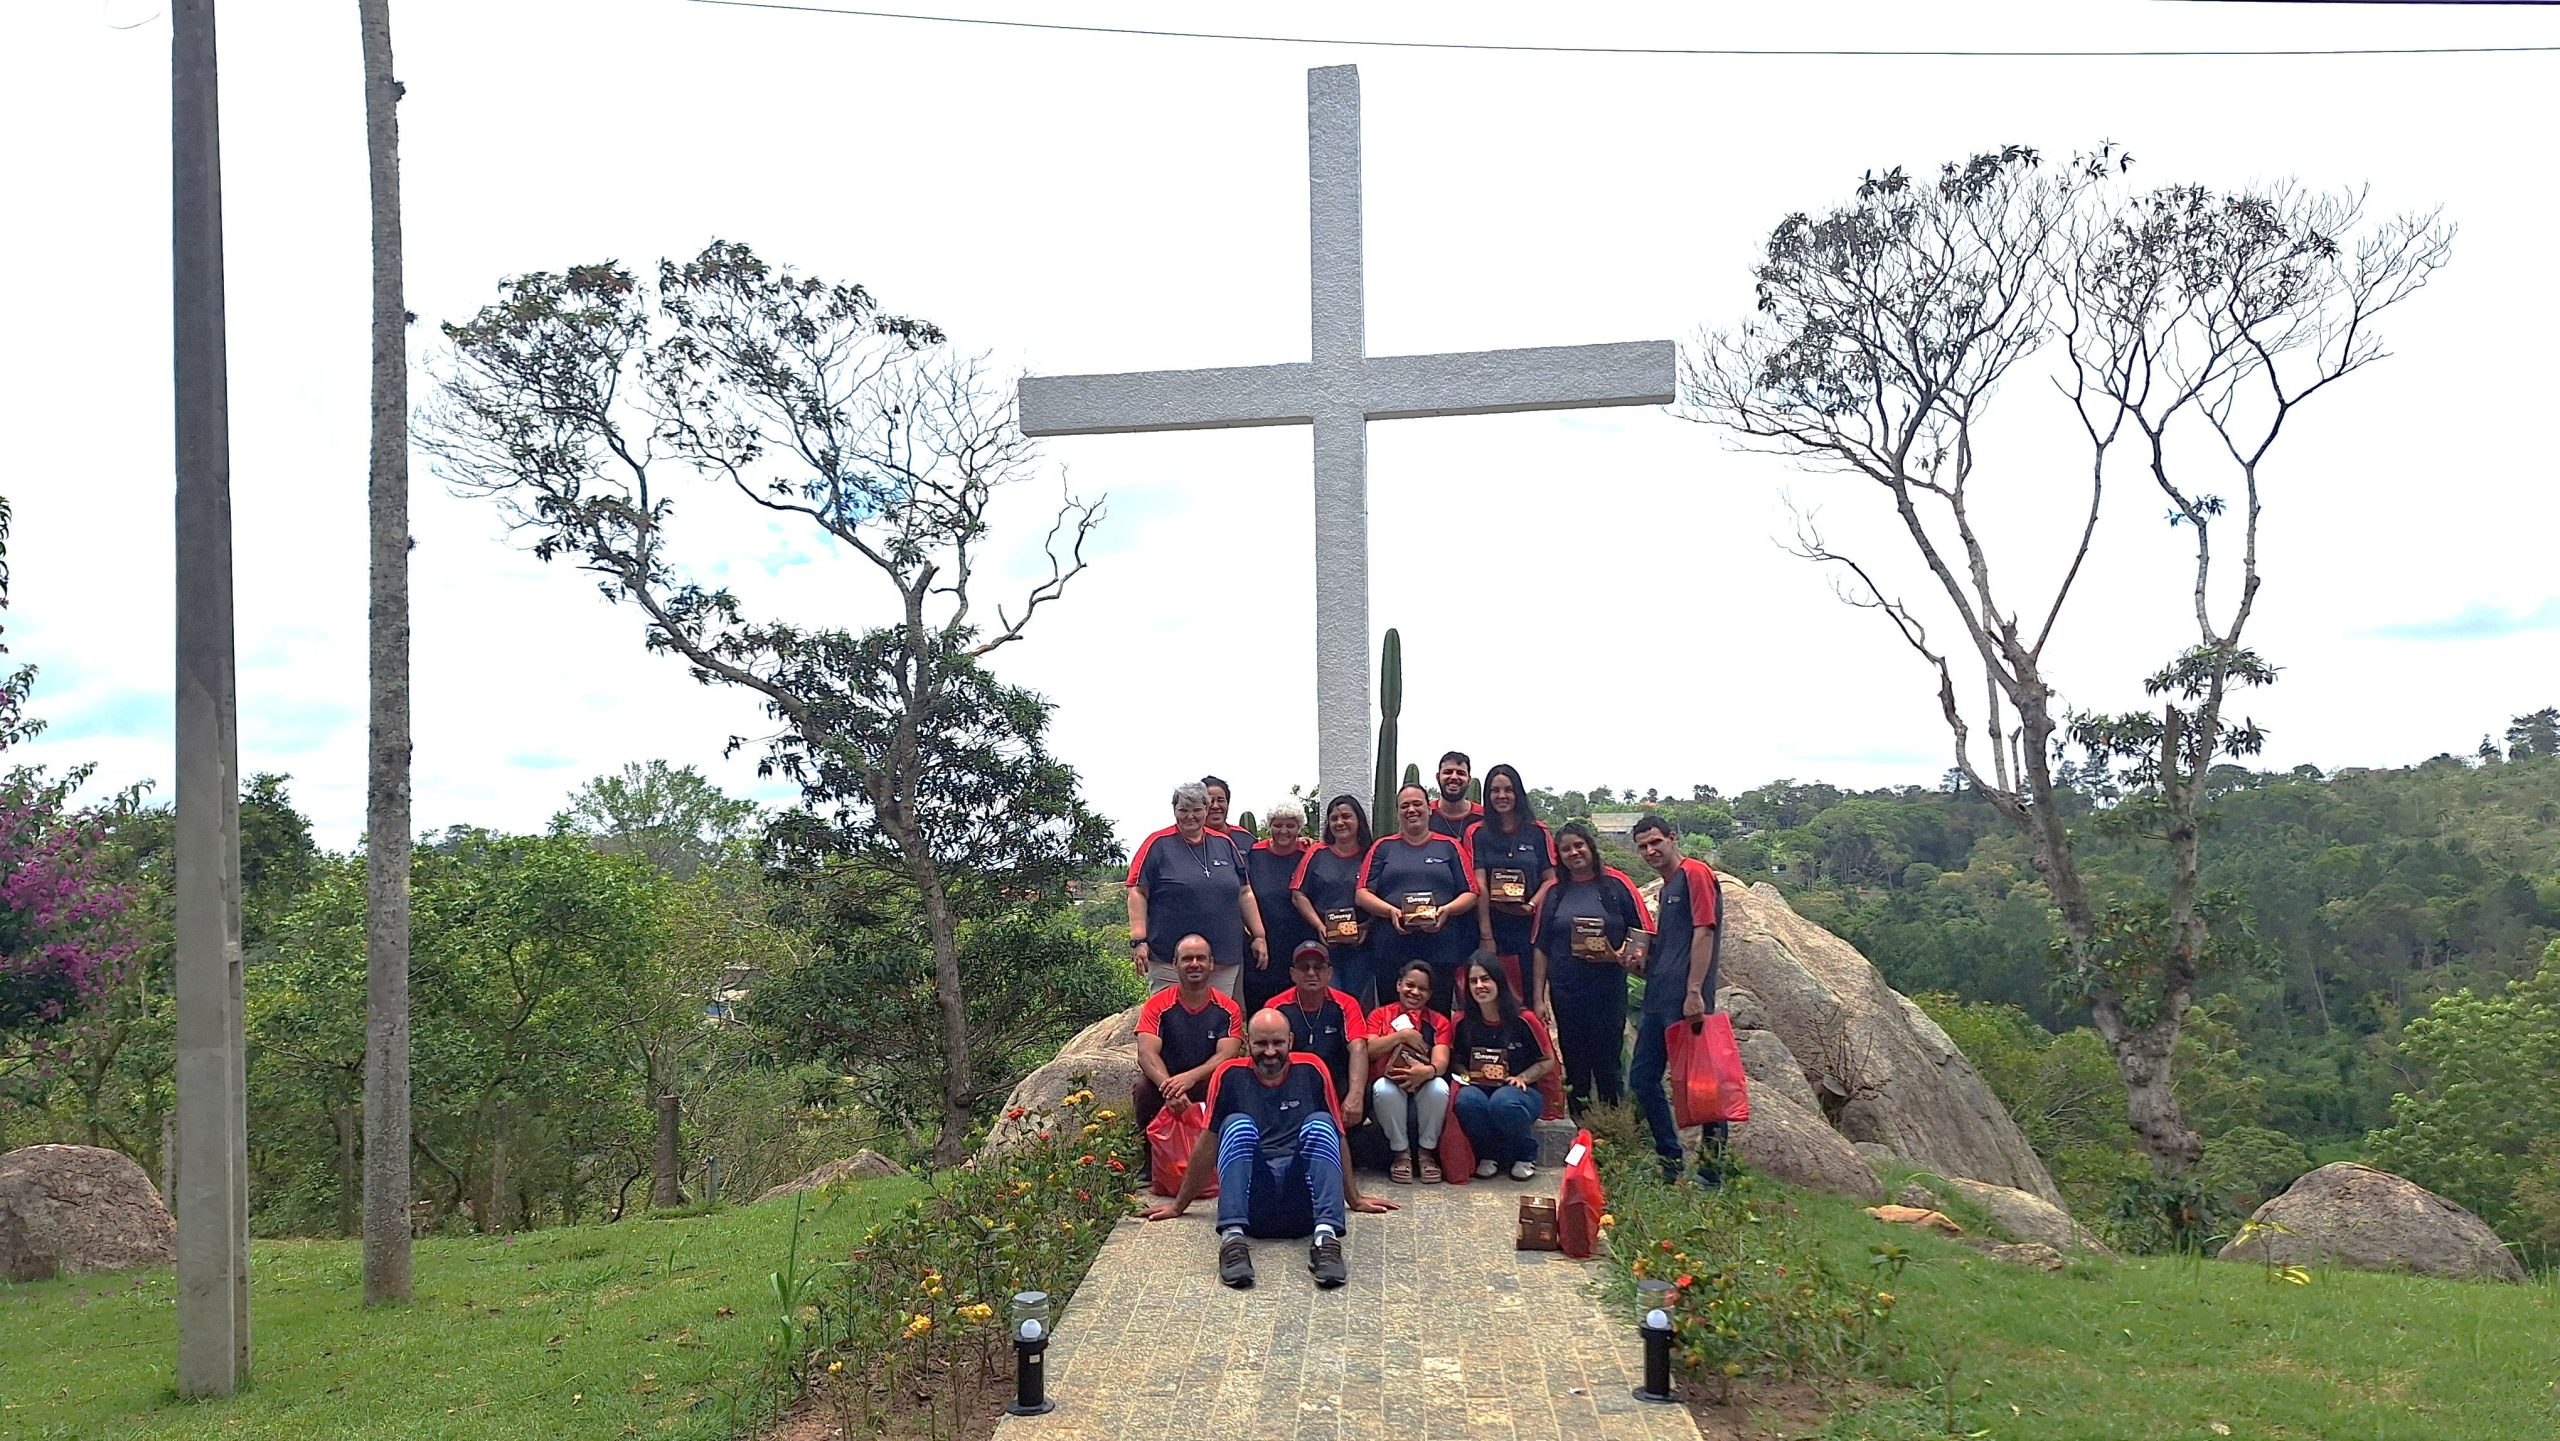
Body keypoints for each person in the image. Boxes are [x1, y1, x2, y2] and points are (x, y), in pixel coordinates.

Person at [1144, 1010, 1396, 1288]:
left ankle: (1326, 1240)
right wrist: (1179, 1205)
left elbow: (1337, 1138)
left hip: (1302, 1204)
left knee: (1322, 1124)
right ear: (1247, 1043)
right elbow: (1207, 1144)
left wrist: (1355, 1198)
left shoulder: (1312, 1069)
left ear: (1290, 1040)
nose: (1270, 1051)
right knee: (1236, 1125)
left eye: (1277, 1043)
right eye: (1261, 1044)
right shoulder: (1229, 1075)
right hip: (1255, 1206)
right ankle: (1233, 1241)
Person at [1530, 822, 1654, 1116]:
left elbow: (1643, 932)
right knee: (1575, 1063)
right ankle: (1580, 1128)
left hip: (1608, 989)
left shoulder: (1616, 884)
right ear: (1558, 856)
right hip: (1566, 992)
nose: (1574, 853)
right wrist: (1538, 998)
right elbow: (1540, 946)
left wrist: (1620, 955)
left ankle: (1612, 1130)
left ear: (1590, 846)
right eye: (1566, 849)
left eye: (1579, 846)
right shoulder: (1554, 892)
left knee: (1609, 1062)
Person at [1629, 815, 1725, 1183]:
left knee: (1702, 1087)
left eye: (1656, 842)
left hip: (1685, 1001)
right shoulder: (1669, 886)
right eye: (1642, 846)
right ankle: (1671, 1161)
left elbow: (1705, 932)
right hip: (1658, 996)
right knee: (1643, 1079)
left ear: (1672, 838)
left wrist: (1695, 992)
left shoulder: (1695, 873)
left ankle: (1712, 1172)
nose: (1650, 851)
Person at [1128, 781, 1269, 999]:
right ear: (1174, 810)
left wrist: (1259, 935)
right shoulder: (1157, 844)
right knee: (1171, 1019)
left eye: (1196, 810)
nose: (1190, 816)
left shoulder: (1225, 843)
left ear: (1206, 808)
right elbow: (1137, 892)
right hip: (1169, 958)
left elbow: (1244, 892)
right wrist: (1139, 941)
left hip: (1223, 956)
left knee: (1219, 1018)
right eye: (1183, 810)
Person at [1356, 784, 1479, 1012]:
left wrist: (1447, 910)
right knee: (1392, 1015)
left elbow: (1471, 893)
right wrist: (1391, 912)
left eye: (1417, 804)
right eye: (1405, 806)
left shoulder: (1450, 846)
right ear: (1397, 813)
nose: (1411, 810)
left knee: (1437, 1015)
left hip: (1440, 948)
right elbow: (1362, 893)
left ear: (1429, 809)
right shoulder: (1383, 847)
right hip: (1392, 948)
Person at [1132, 935, 1248, 1150]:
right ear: (1175, 964)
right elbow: (1146, 1054)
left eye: (1201, 958)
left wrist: (1189, 1079)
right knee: (1143, 1088)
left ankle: (1223, 1156)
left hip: (1206, 1081)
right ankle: (1149, 1161)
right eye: (1187, 959)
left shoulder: (1228, 1008)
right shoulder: (1157, 1005)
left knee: (1232, 1084)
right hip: (1166, 1080)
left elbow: (1227, 1055)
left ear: (1211, 963)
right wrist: (1171, 1089)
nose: (1194, 964)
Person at [1448, 956, 1557, 1181]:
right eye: (1473, 981)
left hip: (1520, 1092)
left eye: (1485, 979)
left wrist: (1523, 1078)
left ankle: (1526, 1153)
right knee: (1466, 1101)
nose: (1480, 986)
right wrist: (1466, 1075)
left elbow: (1548, 1061)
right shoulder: (1462, 1021)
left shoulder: (1524, 1019)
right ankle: (1489, 1154)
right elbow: (1456, 1060)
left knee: (1503, 1102)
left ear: (1499, 981)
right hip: (1479, 1087)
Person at [1465, 764, 1555, 1000]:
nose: (1502, 796)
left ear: (1518, 793)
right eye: (1495, 790)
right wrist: (1487, 936)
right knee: (1491, 997)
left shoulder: (1538, 831)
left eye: (1508, 790)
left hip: (1529, 928)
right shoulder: (1477, 832)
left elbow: (1550, 879)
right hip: (1491, 925)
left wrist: (1532, 905)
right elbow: (1479, 885)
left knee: (1526, 999)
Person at [1364, 960, 1453, 1184]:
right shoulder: (1379, 1015)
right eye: (1410, 985)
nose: (1415, 992)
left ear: (1430, 994)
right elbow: (1370, 1050)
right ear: (1398, 985)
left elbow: (1440, 1062)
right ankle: (1401, 1153)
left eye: (1422, 989)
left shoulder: (1439, 1021)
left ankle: (1426, 1153)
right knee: (1383, 1089)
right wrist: (1402, 1036)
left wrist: (1425, 1072)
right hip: (1389, 1082)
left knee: (1440, 1087)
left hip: (1424, 1082)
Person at [1291, 794, 1381, 1008]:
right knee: (1330, 1003)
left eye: (1346, 817)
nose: (1340, 823)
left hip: (1362, 947)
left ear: (1359, 820)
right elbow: (1298, 894)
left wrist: (1367, 926)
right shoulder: (1316, 852)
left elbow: (1383, 895)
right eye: (1334, 818)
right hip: (1324, 947)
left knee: (1359, 1006)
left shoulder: (1372, 853)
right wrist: (1319, 926)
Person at [1275, 941, 1369, 1125]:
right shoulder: (1276, 1007)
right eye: (1304, 967)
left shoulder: (1347, 1004)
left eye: (1318, 967)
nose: (1311, 973)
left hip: (1335, 1082)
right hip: (1291, 1084)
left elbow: (1359, 1047)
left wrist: (1356, 1094)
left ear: (1329, 973)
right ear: (1293, 974)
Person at [1243, 800, 1321, 1011]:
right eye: (1278, 825)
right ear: (1269, 826)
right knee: (1260, 1007)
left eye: (1290, 825)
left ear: (1299, 827)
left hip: (1301, 943)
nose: (1284, 831)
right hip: (1263, 945)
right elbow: (1243, 895)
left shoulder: (1310, 854)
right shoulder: (1254, 855)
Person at [1425, 751, 1483, 840]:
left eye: (1461, 773)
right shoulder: (1425, 814)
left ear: (1469, 780)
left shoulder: (1484, 817)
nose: (1454, 777)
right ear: (1438, 777)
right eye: (1448, 772)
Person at [1201, 774, 1253, 847]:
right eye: (1210, 801)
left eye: (1220, 800)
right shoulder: (1190, 838)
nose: (1215, 806)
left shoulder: (1245, 838)